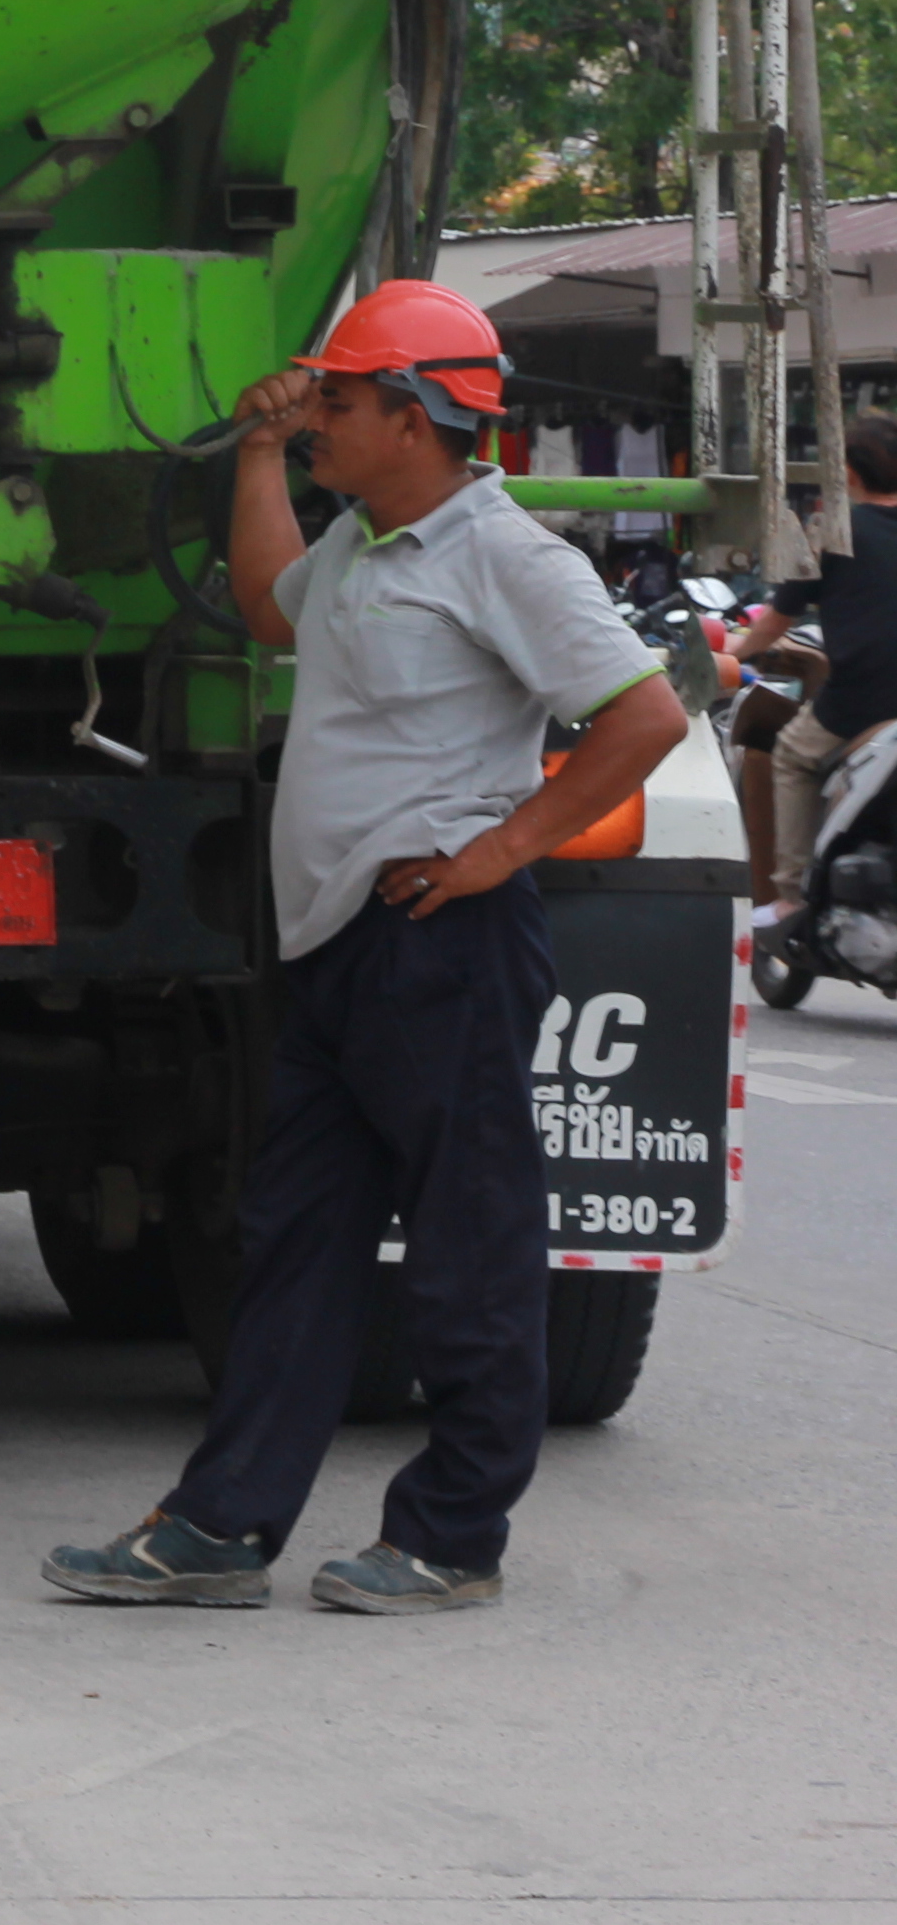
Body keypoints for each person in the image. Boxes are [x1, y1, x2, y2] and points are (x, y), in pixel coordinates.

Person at [45, 280, 684, 1620]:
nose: (316, 411)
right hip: (343, 941)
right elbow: (272, 609)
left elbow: (643, 717)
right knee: (297, 1240)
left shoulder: (508, 557)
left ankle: (454, 1535)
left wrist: (502, 848)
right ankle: (222, 1526)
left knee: (465, 1241)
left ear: (414, 415)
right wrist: (262, 452)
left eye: (336, 399)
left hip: (442, 941)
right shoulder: (369, 548)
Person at [733, 413, 897, 933]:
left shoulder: (831, 529)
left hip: (863, 702)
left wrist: (735, 653)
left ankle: (791, 895)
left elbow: (778, 619)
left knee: (792, 756)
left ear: (848, 473)